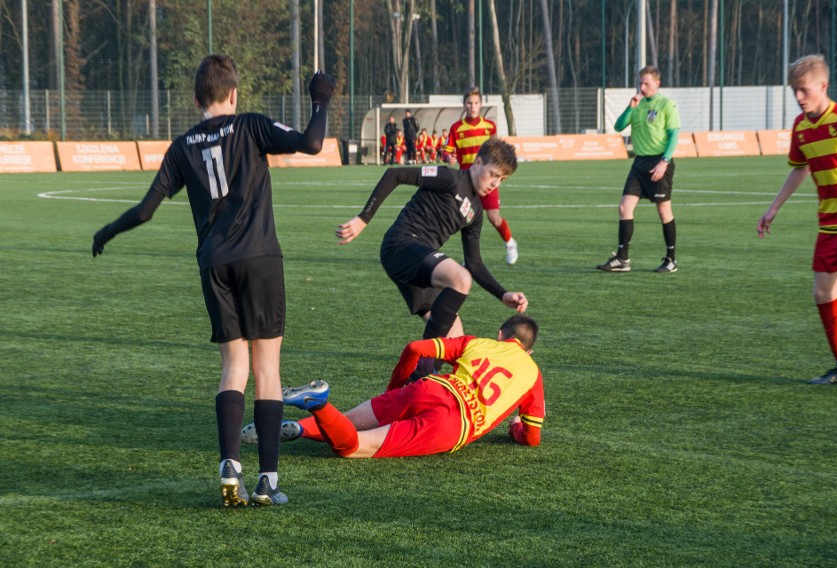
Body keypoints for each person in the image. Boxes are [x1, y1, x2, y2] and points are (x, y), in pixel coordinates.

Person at [90, 54, 335, 506]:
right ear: (234, 93)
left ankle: (229, 465)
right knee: (267, 369)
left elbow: (145, 210)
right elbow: (313, 143)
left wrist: (108, 230)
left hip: (213, 264)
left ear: (196, 97)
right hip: (260, 257)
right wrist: (320, 97)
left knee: (233, 367)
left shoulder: (182, 145)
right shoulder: (250, 125)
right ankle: (268, 482)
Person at [336, 137, 528, 378]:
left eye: (501, 180)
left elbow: (475, 263)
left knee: (455, 337)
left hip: (421, 265)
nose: (495, 184)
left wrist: (503, 294)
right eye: (493, 175)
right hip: (401, 245)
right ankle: (422, 371)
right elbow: (395, 174)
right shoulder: (449, 178)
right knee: (460, 278)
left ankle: (417, 389)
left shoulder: (476, 213)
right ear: (477, 162)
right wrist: (364, 218)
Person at [243, 315, 544, 458]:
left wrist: (394, 389)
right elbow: (531, 437)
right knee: (351, 448)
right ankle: (317, 403)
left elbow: (416, 348)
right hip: (451, 424)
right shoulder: (532, 374)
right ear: (528, 351)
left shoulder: (479, 342)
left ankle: (296, 427)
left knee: (346, 422)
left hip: (428, 388)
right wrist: (515, 427)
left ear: (501, 333)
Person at [757, 54, 837, 385]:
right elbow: (800, 168)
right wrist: (773, 208)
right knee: (823, 294)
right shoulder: (801, 127)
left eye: (803, 89)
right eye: (794, 91)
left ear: (823, 86)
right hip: (831, 224)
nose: (798, 97)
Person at [597, 65, 681, 273]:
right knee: (624, 207)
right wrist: (630, 107)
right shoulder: (638, 104)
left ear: (657, 84)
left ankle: (671, 260)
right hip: (639, 164)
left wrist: (664, 161)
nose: (642, 87)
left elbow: (674, 135)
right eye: (640, 83)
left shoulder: (666, 105)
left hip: (659, 162)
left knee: (663, 210)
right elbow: (618, 126)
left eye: (646, 83)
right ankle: (622, 259)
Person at [443, 86, 518, 265]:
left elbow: (497, 153)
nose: (472, 107)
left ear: (481, 104)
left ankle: (509, 242)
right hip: (466, 181)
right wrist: (449, 158)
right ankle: (469, 258)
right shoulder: (456, 128)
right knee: (462, 219)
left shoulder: (489, 127)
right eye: (469, 103)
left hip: (487, 179)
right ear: (464, 104)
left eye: (476, 103)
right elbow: (447, 151)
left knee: (493, 217)